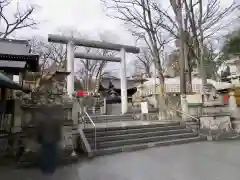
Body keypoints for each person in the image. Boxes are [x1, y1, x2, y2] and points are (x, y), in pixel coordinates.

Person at [35, 105, 64, 174]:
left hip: (45, 140)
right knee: (52, 155)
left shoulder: (42, 120)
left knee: (45, 155)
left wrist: (38, 139)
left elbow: (39, 131)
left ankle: (45, 169)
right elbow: (58, 130)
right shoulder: (56, 120)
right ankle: (51, 168)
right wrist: (59, 139)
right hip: (53, 140)